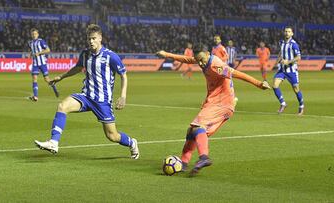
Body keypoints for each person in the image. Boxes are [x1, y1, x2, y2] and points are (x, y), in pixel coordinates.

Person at [156, 44, 270, 176]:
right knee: (192, 131)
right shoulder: (203, 60)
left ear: (208, 54)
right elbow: (187, 59)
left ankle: (204, 158)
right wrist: (166, 54)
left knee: (198, 127)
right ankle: (184, 163)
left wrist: (259, 84)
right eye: (198, 60)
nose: (200, 63)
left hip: (222, 103)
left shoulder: (216, 65)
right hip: (214, 102)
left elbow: (235, 73)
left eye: (202, 60)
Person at [34, 24, 139, 159]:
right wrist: (61, 77)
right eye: (89, 39)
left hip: (102, 101)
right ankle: (54, 142)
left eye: (94, 38)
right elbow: (77, 68)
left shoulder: (111, 56)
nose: (91, 41)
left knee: (112, 136)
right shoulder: (85, 54)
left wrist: (123, 96)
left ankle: (132, 143)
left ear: (100, 38)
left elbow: (123, 75)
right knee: (62, 106)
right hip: (86, 96)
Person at [272, 26, 304, 115]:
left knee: (296, 89)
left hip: (292, 70)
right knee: (274, 85)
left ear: (292, 34)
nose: (287, 33)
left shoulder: (294, 44)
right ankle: (283, 103)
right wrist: (276, 62)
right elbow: (281, 53)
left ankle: (301, 106)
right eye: (286, 31)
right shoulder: (281, 42)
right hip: (282, 70)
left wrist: (288, 62)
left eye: (289, 31)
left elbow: (298, 57)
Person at [28, 28, 59, 101]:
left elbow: (48, 50)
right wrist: (30, 54)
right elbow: (32, 50)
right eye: (32, 34)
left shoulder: (41, 41)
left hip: (42, 63)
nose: (34, 35)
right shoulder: (30, 43)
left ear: (38, 34)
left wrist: (39, 53)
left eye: (35, 34)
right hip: (35, 64)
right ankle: (35, 96)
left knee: (47, 80)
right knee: (34, 79)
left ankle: (53, 86)